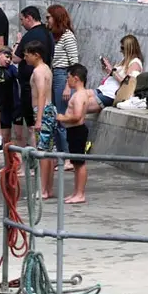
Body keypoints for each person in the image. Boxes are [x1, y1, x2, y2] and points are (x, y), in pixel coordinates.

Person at [13, 6, 54, 139]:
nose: (21, 23)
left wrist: (18, 43)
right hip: (46, 100)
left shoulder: (29, 36)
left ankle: (36, 157)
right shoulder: (48, 33)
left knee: (33, 128)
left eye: (22, 19)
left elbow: (15, 58)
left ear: (29, 18)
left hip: (31, 91)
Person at [23, 41, 56, 198]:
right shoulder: (46, 69)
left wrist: (39, 119)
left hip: (43, 111)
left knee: (42, 152)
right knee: (48, 152)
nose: (25, 58)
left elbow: (42, 94)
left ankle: (43, 189)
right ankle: (47, 188)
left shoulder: (38, 72)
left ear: (36, 55)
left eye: (27, 54)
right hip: (47, 111)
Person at [47, 4, 79, 162]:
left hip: (63, 74)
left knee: (63, 116)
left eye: (49, 17)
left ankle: (67, 157)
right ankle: (60, 154)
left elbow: (74, 63)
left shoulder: (67, 36)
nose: (48, 21)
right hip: (54, 74)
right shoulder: (53, 36)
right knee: (55, 116)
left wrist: (68, 85)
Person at [57, 64, 90, 204]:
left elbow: (76, 116)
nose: (67, 80)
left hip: (77, 130)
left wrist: (61, 117)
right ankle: (76, 192)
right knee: (76, 164)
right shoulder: (80, 94)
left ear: (76, 78)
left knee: (79, 163)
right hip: (74, 130)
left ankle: (80, 193)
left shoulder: (78, 96)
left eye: (68, 77)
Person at [92, 35, 144, 112]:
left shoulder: (135, 63)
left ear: (129, 48)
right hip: (104, 89)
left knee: (82, 105)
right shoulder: (124, 60)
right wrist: (108, 70)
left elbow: (126, 84)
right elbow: (115, 76)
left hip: (112, 94)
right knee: (80, 98)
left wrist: (112, 71)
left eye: (122, 48)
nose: (120, 51)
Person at [0, 46, 23, 153]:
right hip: (4, 109)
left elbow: (21, 78)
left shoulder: (12, 69)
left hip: (16, 107)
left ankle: (21, 164)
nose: (8, 60)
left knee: (19, 136)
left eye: (10, 58)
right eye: (7, 57)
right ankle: (7, 164)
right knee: (5, 138)